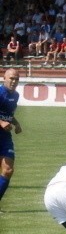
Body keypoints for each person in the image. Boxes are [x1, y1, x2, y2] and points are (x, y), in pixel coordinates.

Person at [0, 69, 22, 210]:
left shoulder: (16, 95)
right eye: (11, 78)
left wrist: (16, 123)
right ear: (4, 78)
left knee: (8, 170)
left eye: (16, 79)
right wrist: (1, 122)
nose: (14, 81)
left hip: (5, 136)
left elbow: (8, 114)